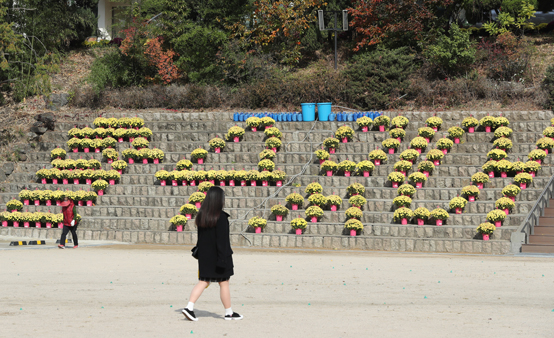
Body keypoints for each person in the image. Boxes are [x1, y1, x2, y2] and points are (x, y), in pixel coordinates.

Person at [182, 187, 243, 321]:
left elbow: (200, 239)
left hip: (204, 256)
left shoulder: (202, 216)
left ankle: (189, 307)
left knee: (203, 281)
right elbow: (223, 241)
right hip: (219, 256)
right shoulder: (221, 217)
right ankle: (229, 312)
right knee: (224, 282)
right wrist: (223, 259)